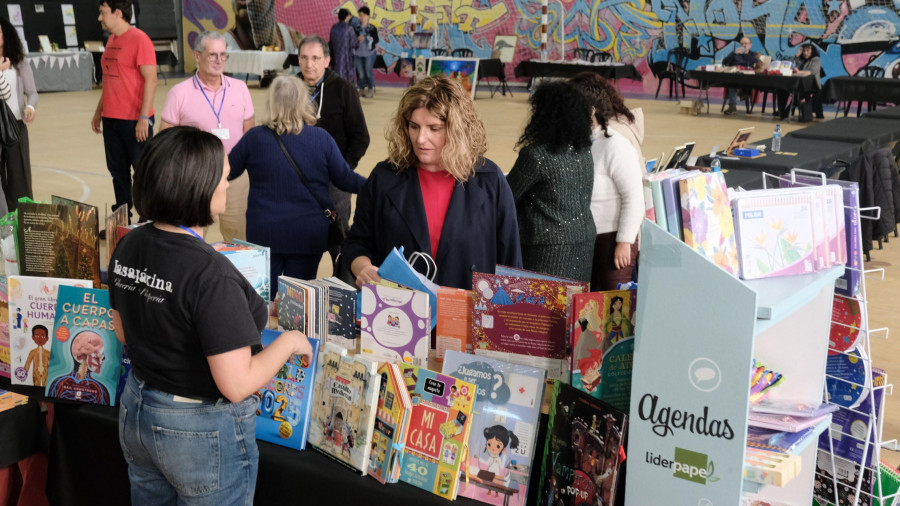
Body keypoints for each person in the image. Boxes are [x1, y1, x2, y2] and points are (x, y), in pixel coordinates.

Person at [110, 126, 313, 504]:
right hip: (196, 431)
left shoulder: (129, 242)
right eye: (223, 176)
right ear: (198, 186)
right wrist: (290, 342)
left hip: (138, 409)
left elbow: (122, 331)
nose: (227, 183)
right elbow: (236, 385)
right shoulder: (210, 273)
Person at [343, 76, 521, 290]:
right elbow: (356, 242)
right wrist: (363, 268)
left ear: (457, 129)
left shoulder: (490, 180)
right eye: (414, 126)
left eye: (434, 128)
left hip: (466, 314)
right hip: (400, 313)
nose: (420, 138)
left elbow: (511, 263)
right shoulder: (384, 177)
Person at [228, 76, 365, 290]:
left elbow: (225, 171)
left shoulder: (254, 138)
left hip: (264, 233)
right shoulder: (322, 138)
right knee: (299, 302)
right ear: (304, 102)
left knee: (262, 299)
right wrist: (378, 186)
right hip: (307, 235)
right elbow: (346, 179)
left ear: (272, 103)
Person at [160, 31, 255, 243]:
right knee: (192, 236)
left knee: (238, 236)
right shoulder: (179, 93)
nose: (219, 60)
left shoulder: (240, 89)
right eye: (213, 55)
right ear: (197, 56)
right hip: (196, 177)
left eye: (223, 55)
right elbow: (166, 139)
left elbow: (250, 132)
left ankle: (235, 275)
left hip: (235, 176)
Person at [506, 81, 595, 282]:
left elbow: (508, 196)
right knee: (573, 307)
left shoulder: (536, 155)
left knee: (540, 310)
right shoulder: (584, 152)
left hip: (545, 249)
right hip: (583, 240)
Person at [569, 73, 644, 291]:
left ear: (591, 108)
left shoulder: (614, 144)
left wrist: (624, 243)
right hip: (585, 240)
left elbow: (634, 198)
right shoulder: (580, 141)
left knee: (612, 309)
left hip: (611, 241)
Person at [296, 35, 370, 235]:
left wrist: (342, 169)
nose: (309, 64)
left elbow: (361, 136)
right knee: (300, 237)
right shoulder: (289, 89)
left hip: (334, 183)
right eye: (304, 58)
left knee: (338, 237)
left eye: (315, 58)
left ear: (327, 61)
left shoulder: (344, 90)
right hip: (297, 180)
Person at [91, 0, 157, 223]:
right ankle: (121, 221)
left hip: (134, 119)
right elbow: (110, 79)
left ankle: (147, 218)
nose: (99, 17)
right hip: (112, 119)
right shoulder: (111, 40)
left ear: (118, 13)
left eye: (103, 12)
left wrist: (144, 117)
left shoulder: (140, 39)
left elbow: (151, 80)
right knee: (117, 172)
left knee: (142, 172)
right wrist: (99, 110)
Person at [0, 16, 37, 212]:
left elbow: (32, 93)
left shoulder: (19, 61)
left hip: (16, 124)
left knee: (19, 175)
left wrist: (30, 107)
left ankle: (23, 220)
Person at [776, 44, 822, 121]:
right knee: (781, 89)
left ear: (812, 51)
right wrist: (797, 55)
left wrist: (799, 71)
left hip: (811, 85)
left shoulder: (816, 59)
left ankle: (789, 111)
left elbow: (813, 71)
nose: (805, 53)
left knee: (799, 92)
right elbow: (788, 65)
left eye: (807, 51)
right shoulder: (800, 59)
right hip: (796, 83)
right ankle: (782, 111)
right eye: (803, 51)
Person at [722, 37, 757, 115]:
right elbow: (724, 62)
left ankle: (744, 92)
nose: (744, 45)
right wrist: (734, 54)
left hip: (749, 80)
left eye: (746, 43)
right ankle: (732, 107)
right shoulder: (735, 53)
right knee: (732, 84)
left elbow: (759, 67)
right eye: (742, 44)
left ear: (750, 45)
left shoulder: (754, 56)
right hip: (735, 78)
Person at [354, 6, 379, 98]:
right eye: (360, 15)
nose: (362, 17)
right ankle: (361, 89)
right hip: (358, 54)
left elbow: (377, 39)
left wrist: (372, 39)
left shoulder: (372, 28)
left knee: (368, 72)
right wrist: (357, 39)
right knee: (360, 73)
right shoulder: (356, 28)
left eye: (364, 15)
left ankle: (371, 89)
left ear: (368, 16)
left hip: (369, 53)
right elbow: (352, 40)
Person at [329, 8, 358, 85]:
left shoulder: (334, 27)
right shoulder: (349, 29)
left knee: (336, 76)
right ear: (347, 16)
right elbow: (354, 43)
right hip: (346, 59)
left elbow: (331, 42)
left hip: (335, 57)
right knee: (346, 79)